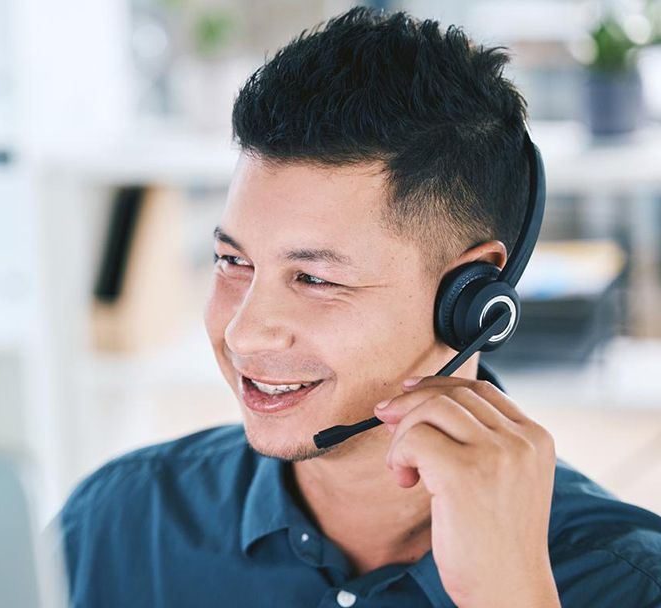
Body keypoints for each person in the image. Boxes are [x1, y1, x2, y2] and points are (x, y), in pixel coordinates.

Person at [54, 7, 661, 607]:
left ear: (473, 300)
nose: (244, 333)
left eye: (315, 278)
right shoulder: (117, 523)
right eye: (233, 262)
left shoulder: (627, 583)